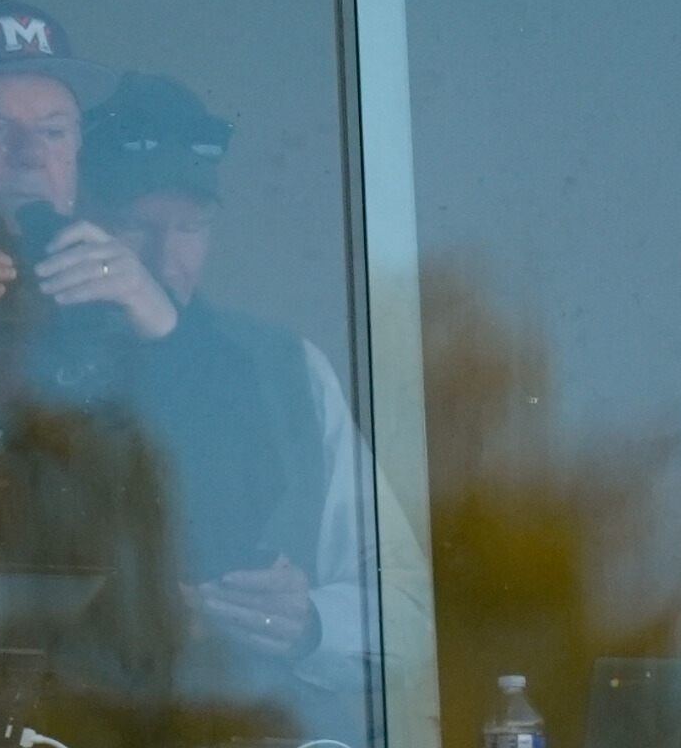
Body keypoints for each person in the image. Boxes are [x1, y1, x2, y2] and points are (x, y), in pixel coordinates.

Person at [0, 0, 311, 746]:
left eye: (55, 131)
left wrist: (163, 329)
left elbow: (228, 520)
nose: (31, 156)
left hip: (129, 717)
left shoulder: (118, 309)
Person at [80, 72, 434, 744]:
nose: (164, 257)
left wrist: (310, 623)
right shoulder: (10, 366)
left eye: (189, 227)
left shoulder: (286, 371)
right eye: (135, 226)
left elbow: (407, 611)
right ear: (81, 220)